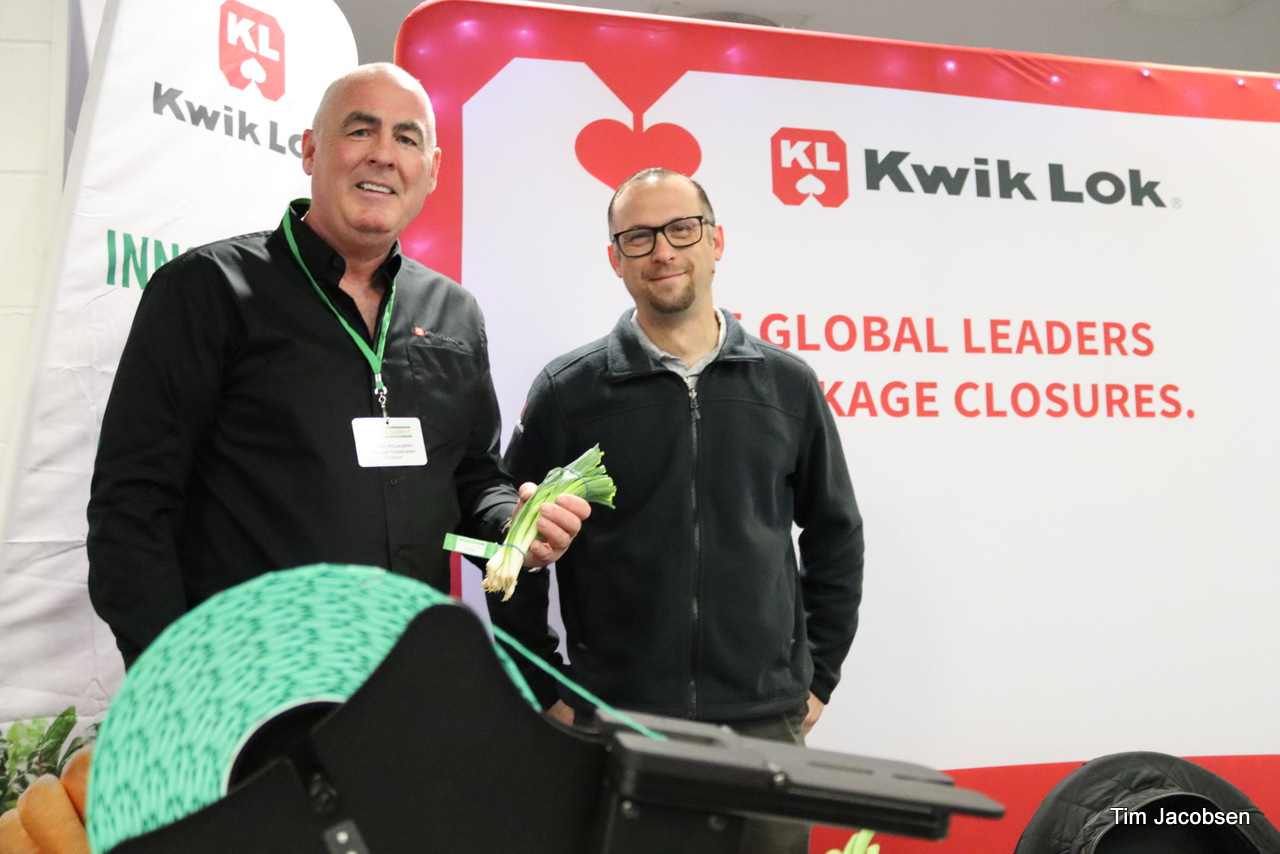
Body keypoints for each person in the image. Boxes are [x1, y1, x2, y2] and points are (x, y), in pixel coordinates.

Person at [86, 63, 588, 667]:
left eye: (406, 138)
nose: (383, 154)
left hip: (409, 676)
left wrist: (514, 524)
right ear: (310, 149)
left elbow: (472, 477)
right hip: (254, 681)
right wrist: (175, 676)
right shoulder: (208, 289)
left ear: (431, 170)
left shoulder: (454, 312)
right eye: (360, 130)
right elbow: (133, 505)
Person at [489, 168, 864, 854]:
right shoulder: (569, 393)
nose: (662, 250)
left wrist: (819, 679)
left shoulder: (787, 385)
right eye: (638, 237)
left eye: (681, 230)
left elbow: (836, 534)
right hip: (620, 726)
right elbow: (509, 546)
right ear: (615, 259)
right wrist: (547, 688)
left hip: (763, 728)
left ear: (715, 242)